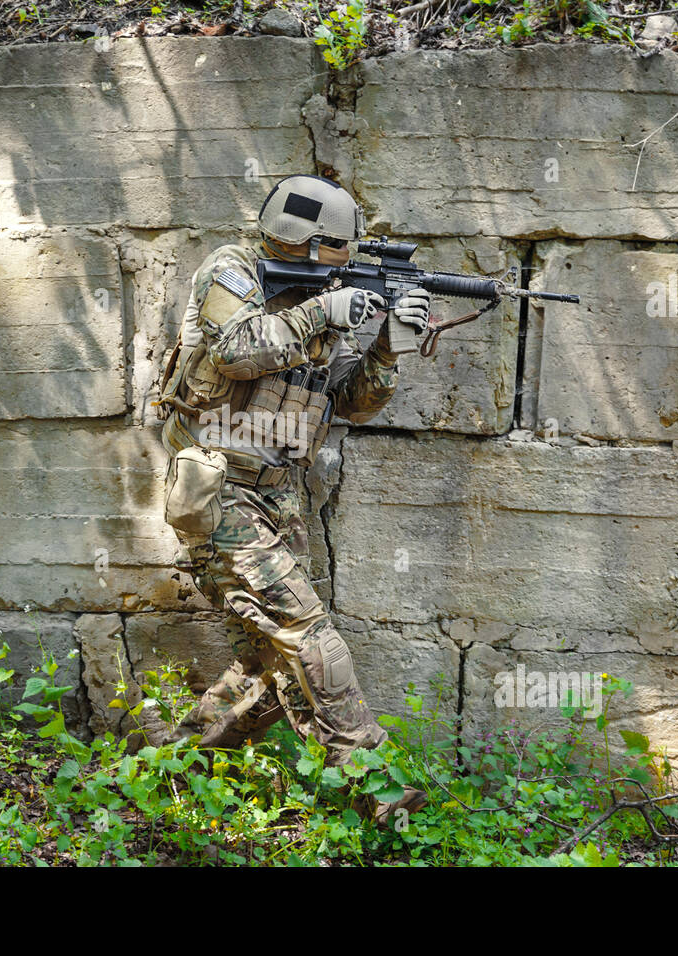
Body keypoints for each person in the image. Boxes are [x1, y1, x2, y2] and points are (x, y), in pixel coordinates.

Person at [154, 174, 430, 823]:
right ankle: (373, 779)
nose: (341, 269)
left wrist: (389, 346)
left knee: (267, 658)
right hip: (219, 485)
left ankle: (177, 766)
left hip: (279, 494)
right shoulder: (234, 271)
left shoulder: (325, 294)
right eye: (335, 252)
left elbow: (351, 402)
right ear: (305, 240)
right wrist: (321, 314)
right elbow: (233, 351)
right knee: (307, 633)